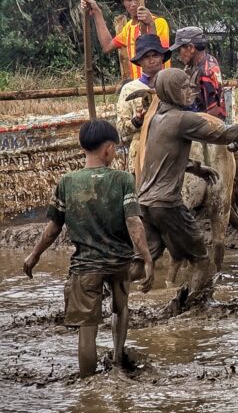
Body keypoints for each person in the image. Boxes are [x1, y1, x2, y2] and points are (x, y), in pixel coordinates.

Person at [137, 68, 238, 310]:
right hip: (167, 204)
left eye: (191, 87)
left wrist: (195, 168)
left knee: (142, 261)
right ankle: (195, 308)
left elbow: (161, 158)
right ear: (169, 92)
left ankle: (100, 285)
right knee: (202, 259)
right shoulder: (182, 120)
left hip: (146, 204)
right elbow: (227, 134)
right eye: (183, 88)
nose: (191, 92)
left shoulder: (157, 119)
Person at [23, 120, 155, 378]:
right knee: (122, 308)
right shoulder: (123, 180)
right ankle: (118, 360)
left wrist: (34, 254)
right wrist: (147, 257)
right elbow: (133, 222)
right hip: (119, 262)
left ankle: (88, 386)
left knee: (87, 329)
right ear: (107, 149)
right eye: (114, 148)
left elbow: (53, 228)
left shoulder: (67, 182)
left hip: (85, 267)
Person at [80, 0, 170, 80]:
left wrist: (150, 24)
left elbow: (157, 53)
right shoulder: (128, 28)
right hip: (138, 87)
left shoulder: (159, 23)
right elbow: (107, 46)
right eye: (129, 0)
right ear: (123, 2)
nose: (133, 4)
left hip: (159, 85)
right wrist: (97, 13)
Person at [115, 34, 170, 168]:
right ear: (139, 61)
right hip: (141, 154)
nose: (151, 60)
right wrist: (137, 121)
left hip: (171, 150)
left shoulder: (172, 83)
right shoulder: (129, 89)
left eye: (155, 55)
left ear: (162, 57)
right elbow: (121, 128)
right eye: (146, 56)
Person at [171, 27, 226, 119]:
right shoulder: (201, 62)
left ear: (191, 48)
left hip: (205, 126)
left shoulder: (206, 72)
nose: (179, 55)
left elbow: (213, 111)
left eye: (179, 50)